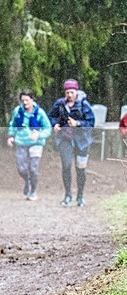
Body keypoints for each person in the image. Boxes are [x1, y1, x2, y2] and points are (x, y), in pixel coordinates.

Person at [47, 79, 95, 207]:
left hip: (82, 141)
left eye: (72, 92)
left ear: (76, 92)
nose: (69, 95)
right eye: (67, 92)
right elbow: (50, 116)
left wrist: (77, 123)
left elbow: (91, 123)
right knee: (66, 166)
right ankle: (68, 195)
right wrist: (55, 124)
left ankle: (80, 196)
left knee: (80, 169)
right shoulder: (60, 104)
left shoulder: (84, 105)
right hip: (65, 140)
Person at [7, 90, 52, 201]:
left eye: (27, 100)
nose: (25, 103)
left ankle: (33, 191)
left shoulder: (40, 112)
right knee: (21, 168)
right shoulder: (17, 111)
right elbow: (12, 124)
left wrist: (39, 135)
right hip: (21, 142)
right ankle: (28, 182)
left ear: (32, 99)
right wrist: (11, 136)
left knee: (33, 168)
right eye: (23, 101)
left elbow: (48, 128)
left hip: (36, 144)